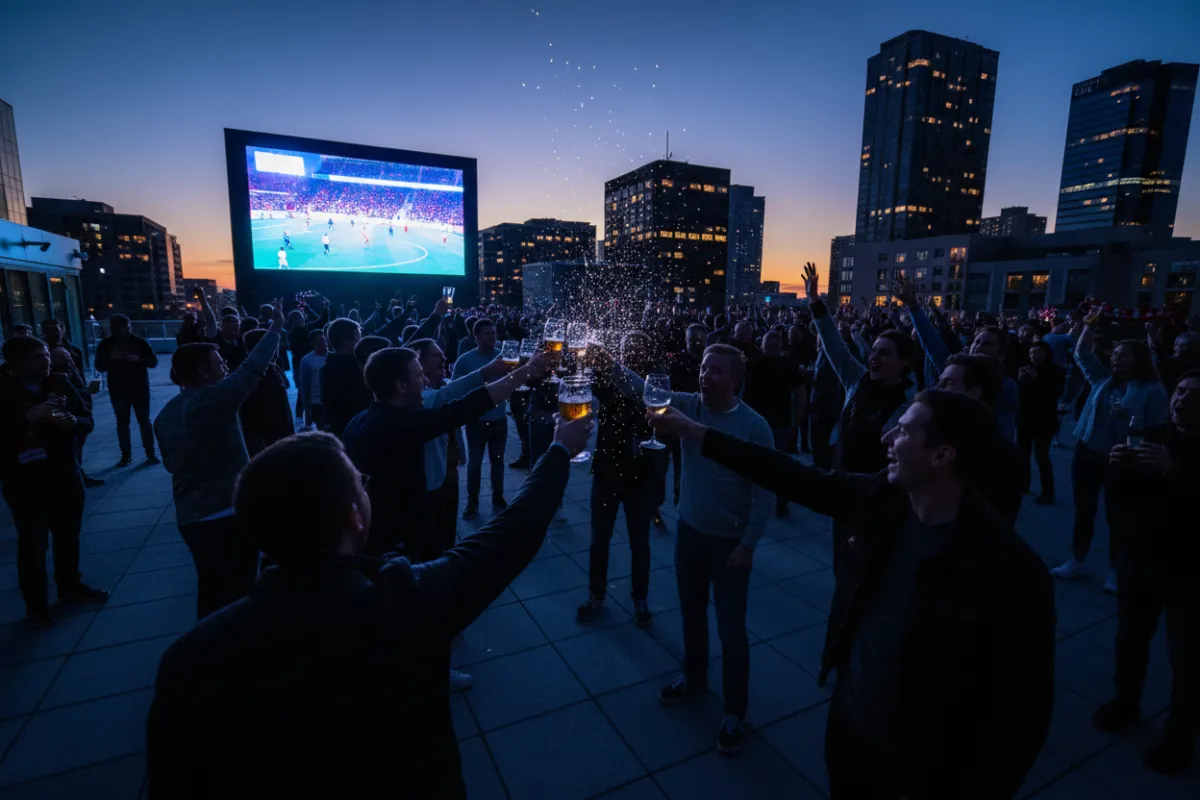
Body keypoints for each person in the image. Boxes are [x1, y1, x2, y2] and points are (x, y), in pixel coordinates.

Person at [145, 418, 593, 798]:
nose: (365, 484)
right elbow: (510, 535)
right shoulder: (401, 603)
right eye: (359, 481)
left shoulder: (189, 659)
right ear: (355, 517)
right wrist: (557, 451)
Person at [648, 390, 1056, 798]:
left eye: (905, 431)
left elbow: (1020, 720)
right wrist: (695, 430)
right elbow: (790, 473)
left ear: (941, 456)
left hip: (921, 768)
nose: (887, 437)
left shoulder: (1011, 572)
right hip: (851, 732)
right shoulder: (882, 500)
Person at [609, 342, 773, 755]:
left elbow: (766, 492)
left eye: (717, 371)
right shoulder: (686, 405)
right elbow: (639, 388)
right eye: (703, 368)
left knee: (731, 627)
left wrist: (749, 544)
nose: (706, 376)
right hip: (690, 531)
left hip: (731, 542)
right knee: (692, 613)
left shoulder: (754, 426)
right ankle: (695, 677)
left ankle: (735, 709)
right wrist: (605, 359)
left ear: (735, 379)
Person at [341, 345, 553, 562]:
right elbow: (464, 408)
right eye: (419, 375)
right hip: (401, 547)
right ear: (401, 386)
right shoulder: (397, 425)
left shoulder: (359, 421)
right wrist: (525, 371)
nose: (424, 382)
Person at [1093, 370, 1200, 774]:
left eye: (1194, 394)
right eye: (1180, 391)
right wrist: (1117, 468)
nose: (1181, 400)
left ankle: (1179, 738)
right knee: (1130, 638)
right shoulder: (1154, 433)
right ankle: (1125, 702)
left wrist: (1174, 472)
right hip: (1141, 558)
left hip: (1190, 569)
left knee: (1187, 657)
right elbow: (1123, 495)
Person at [153, 304, 284, 620]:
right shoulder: (214, 399)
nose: (225, 366)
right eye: (219, 362)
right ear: (202, 371)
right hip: (224, 515)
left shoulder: (165, 414)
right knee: (240, 594)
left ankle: (209, 651)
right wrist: (276, 329)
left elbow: (172, 464)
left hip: (191, 517)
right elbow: (252, 368)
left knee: (211, 591)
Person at [1051, 313, 1169, 592]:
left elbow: (1158, 427)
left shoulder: (1152, 389)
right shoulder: (1103, 380)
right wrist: (1089, 325)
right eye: (1115, 355)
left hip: (1121, 458)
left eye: (1123, 355)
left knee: (1118, 516)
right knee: (1084, 510)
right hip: (1088, 451)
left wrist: (1130, 418)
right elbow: (1082, 353)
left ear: (1139, 360)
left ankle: (1116, 569)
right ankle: (1076, 559)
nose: (1116, 359)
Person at [0, 336, 106, 626]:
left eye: (46, 354)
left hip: (65, 473)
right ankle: (36, 604)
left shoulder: (60, 383)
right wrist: (27, 418)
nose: (46, 360)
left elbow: (87, 419)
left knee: (68, 535)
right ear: (16, 362)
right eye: (37, 356)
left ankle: (70, 586)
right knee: (33, 543)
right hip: (25, 481)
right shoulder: (4, 391)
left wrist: (74, 422)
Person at [577, 333, 660, 627]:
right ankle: (596, 595)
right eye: (628, 349)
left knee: (640, 542)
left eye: (638, 348)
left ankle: (640, 598)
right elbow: (590, 401)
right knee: (600, 539)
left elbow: (643, 399)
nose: (633, 353)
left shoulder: (652, 384)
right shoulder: (606, 379)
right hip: (607, 471)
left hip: (639, 475)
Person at [934, 353, 1026, 525]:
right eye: (939, 381)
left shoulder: (1002, 456)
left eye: (947, 383)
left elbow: (995, 525)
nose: (937, 388)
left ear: (974, 392)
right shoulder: (932, 436)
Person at [742, 330, 806, 517]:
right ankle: (777, 502)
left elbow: (800, 393)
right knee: (773, 464)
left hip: (772, 423)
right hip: (771, 423)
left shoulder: (756, 364)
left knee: (765, 464)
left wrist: (797, 420)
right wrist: (797, 420)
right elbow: (801, 394)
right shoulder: (756, 364)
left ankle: (773, 502)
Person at [452, 319, 510, 519]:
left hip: (499, 418)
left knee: (498, 461)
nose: (492, 337)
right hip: (476, 421)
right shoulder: (466, 361)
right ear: (476, 337)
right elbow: (456, 389)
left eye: (494, 333)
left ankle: (498, 497)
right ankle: (472, 501)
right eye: (487, 334)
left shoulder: (503, 356)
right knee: (475, 463)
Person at [94, 313, 159, 467]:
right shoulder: (106, 345)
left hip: (138, 387)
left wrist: (138, 360)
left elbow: (153, 362)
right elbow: (99, 366)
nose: (116, 330)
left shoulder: (139, 343)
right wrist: (112, 360)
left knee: (141, 421)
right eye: (113, 327)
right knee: (125, 422)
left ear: (127, 326)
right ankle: (128, 455)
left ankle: (148, 453)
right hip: (119, 388)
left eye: (118, 327)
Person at [1018, 340, 1066, 504]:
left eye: (1037, 352)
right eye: (1031, 352)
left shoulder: (1056, 372)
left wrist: (1036, 378)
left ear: (1046, 354)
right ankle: (1023, 485)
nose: (1034, 355)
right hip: (1025, 418)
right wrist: (1021, 381)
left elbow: (1053, 394)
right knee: (1023, 454)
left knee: (1042, 457)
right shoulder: (1025, 369)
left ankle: (1047, 492)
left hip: (1044, 420)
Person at [239, 328, 293, 456]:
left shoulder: (274, 368)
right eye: (273, 345)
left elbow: (286, 386)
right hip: (266, 442)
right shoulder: (250, 376)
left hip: (283, 435)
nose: (277, 349)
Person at [320, 317, 371, 438]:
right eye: (358, 336)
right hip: (360, 428)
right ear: (347, 342)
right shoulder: (357, 366)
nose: (361, 340)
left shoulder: (326, 368)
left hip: (338, 429)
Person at [297, 329, 328, 431]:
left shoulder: (332, 356)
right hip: (316, 402)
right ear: (313, 343)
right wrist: (307, 408)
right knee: (322, 430)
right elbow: (304, 386)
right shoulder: (307, 360)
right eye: (320, 340)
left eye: (324, 339)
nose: (323, 341)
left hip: (330, 400)